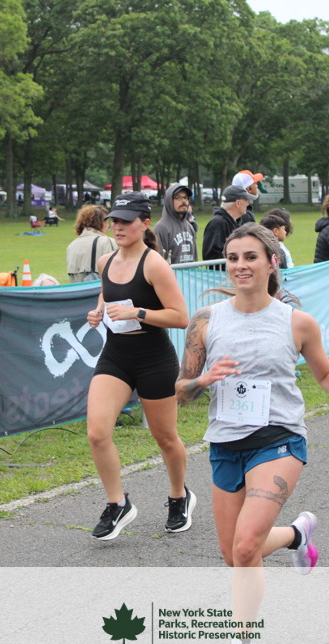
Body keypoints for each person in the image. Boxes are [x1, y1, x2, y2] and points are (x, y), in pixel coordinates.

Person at [175, 224, 329, 644]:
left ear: (272, 262)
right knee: (233, 554)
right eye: (233, 258)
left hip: (279, 440)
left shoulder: (296, 322)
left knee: (246, 548)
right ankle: (297, 535)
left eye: (250, 257)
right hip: (226, 443)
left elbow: (325, 373)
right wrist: (203, 380)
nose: (240, 266)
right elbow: (180, 391)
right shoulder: (206, 321)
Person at [83, 191, 192, 539]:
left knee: (165, 437)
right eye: (114, 220)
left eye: (126, 221)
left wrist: (138, 312)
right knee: (97, 432)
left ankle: (180, 496)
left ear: (145, 224)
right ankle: (118, 504)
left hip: (153, 358)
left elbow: (181, 317)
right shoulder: (105, 261)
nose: (118, 227)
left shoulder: (154, 264)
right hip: (116, 355)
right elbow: (107, 292)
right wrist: (98, 311)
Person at [203, 186, 256, 262]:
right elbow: (211, 256)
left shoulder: (238, 222)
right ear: (238, 203)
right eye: (246, 200)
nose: (248, 204)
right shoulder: (217, 223)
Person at [67, 205, 117, 283]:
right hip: (98, 289)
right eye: (107, 222)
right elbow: (114, 272)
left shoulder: (71, 246)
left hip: (78, 290)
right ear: (102, 222)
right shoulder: (106, 241)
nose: (108, 227)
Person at [154, 183, 198, 264]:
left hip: (190, 272)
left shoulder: (189, 227)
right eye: (178, 197)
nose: (184, 201)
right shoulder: (161, 228)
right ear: (169, 201)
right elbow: (157, 262)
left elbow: (195, 259)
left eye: (186, 197)